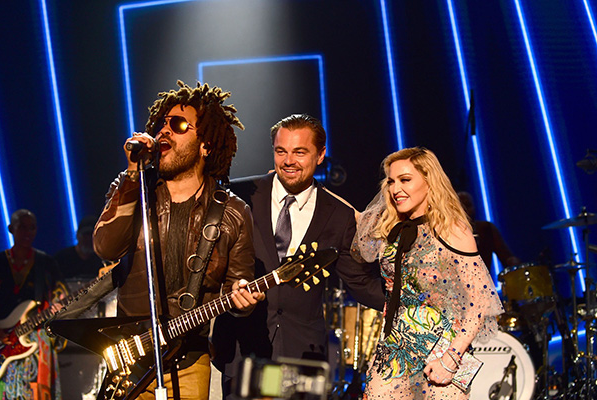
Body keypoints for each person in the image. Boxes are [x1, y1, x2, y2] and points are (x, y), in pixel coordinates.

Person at [55, 81, 262, 400]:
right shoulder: (134, 189)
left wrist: (241, 298)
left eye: (179, 124)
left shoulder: (233, 213)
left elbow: (238, 290)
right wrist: (132, 175)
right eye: (162, 123)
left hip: (190, 362)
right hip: (130, 361)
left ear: (205, 144)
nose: (166, 130)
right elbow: (105, 247)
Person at [212, 114, 385, 395]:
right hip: (242, 350)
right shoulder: (241, 195)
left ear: (320, 155)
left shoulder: (338, 215)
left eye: (299, 152)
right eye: (281, 151)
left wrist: (410, 301)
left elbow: (361, 283)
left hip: (302, 357)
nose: (288, 161)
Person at [352, 147, 503, 400]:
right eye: (391, 181)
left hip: (442, 351)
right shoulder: (392, 228)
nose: (395, 188)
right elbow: (351, 218)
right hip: (394, 350)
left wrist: (451, 358)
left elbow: (480, 300)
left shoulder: (451, 228)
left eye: (405, 180)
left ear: (429, 181)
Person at [0, 209, 66, 400]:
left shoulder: (46, 263)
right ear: (11, 229)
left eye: (32, 228)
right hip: (3, 342)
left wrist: (59, 307)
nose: (28, 232)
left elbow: (61, 293)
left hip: (38, 338)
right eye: (22, 227)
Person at [456, 191, 520, 272]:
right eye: (461, 207)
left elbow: (506, 256)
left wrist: (514, 262)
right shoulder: (448, 235)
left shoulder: (486, 229)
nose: (465, 211)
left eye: (468, 206)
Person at [54, 215, 103, 280]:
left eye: (92, 235)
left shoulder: (101, 260)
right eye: (85, 235)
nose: (88, 239)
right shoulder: (61, 259)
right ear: (77, 235)